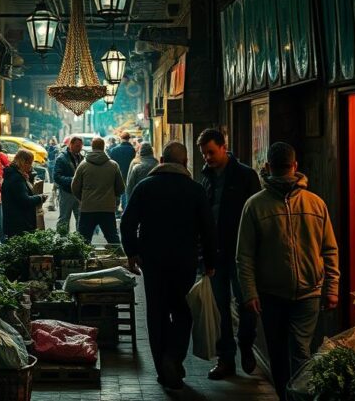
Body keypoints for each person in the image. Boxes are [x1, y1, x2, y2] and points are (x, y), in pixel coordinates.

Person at [238, 142, 340, 401]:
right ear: (295, 166)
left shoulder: (254, 205)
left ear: (268, 167)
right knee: (299, 352)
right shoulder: (316, 203)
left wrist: (249, 293)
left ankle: (292, 398)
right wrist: (331, 289)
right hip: (307, 290)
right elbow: (330, 250)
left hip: (275, 292)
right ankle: (293, 397)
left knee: (283, 353)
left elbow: (244, 256)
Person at [121, 141, 216, 391]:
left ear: (162, 161)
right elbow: (208, 229)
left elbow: (127, 222)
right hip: (184, 260)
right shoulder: (195, 190)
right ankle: (174, 356)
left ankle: (164, 371)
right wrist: (209, 261)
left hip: (152, 261)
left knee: (157, 313)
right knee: (183, 310)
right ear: (185, 163)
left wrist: (132, 252)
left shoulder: (145, 187)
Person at [197, 128, 262, 379]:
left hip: (242, 254)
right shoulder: (206, 177)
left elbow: (256, 216)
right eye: (204, 154)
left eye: (211, 152)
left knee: (247, 304)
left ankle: (246, 344)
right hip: (216, 254)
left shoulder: (245, 176)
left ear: (224, 147)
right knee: (220, 308)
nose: (207, 158)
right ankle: (226, 358)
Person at [71, 137, 124, 244]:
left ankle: (83, 261)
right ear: (104, 147)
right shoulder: (113, 165)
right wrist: (113, 198)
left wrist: (82, 199)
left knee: (83, 240)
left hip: (88, 208)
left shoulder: (83, 165)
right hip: (107, 208)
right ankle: (119, 259)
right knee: (113, 239)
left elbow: (74, 187)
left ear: (92, 146)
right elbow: (121, 188)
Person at [1, 149, 48, 238]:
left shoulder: (15, 175)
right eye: (30, 163)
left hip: (15, 222)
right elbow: (24, 200)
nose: (31, 167)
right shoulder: (16, 178)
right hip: (19, 223)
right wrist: (40, 198)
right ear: (23, 162)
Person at [53, 136, 84, 235]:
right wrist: (73, 180)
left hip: (79, 194)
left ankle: (80, 241)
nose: (79, 148)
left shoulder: (81, 157)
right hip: (67, 192)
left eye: (80, 146)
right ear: (70, 145)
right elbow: (57, 177)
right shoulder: (61, 158)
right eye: (77, 146)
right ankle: (62, 242)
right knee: (64, 219)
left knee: (80, 219)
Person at [108, 132, 136, 215]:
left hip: (116, 172)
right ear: (129, 138)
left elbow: (111, 162)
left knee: (116, 190)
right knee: (125, 191)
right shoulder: (132, 150)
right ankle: (125, 209)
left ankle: (115, 209)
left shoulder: (114, 150)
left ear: (120, 138)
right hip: (128, 172)